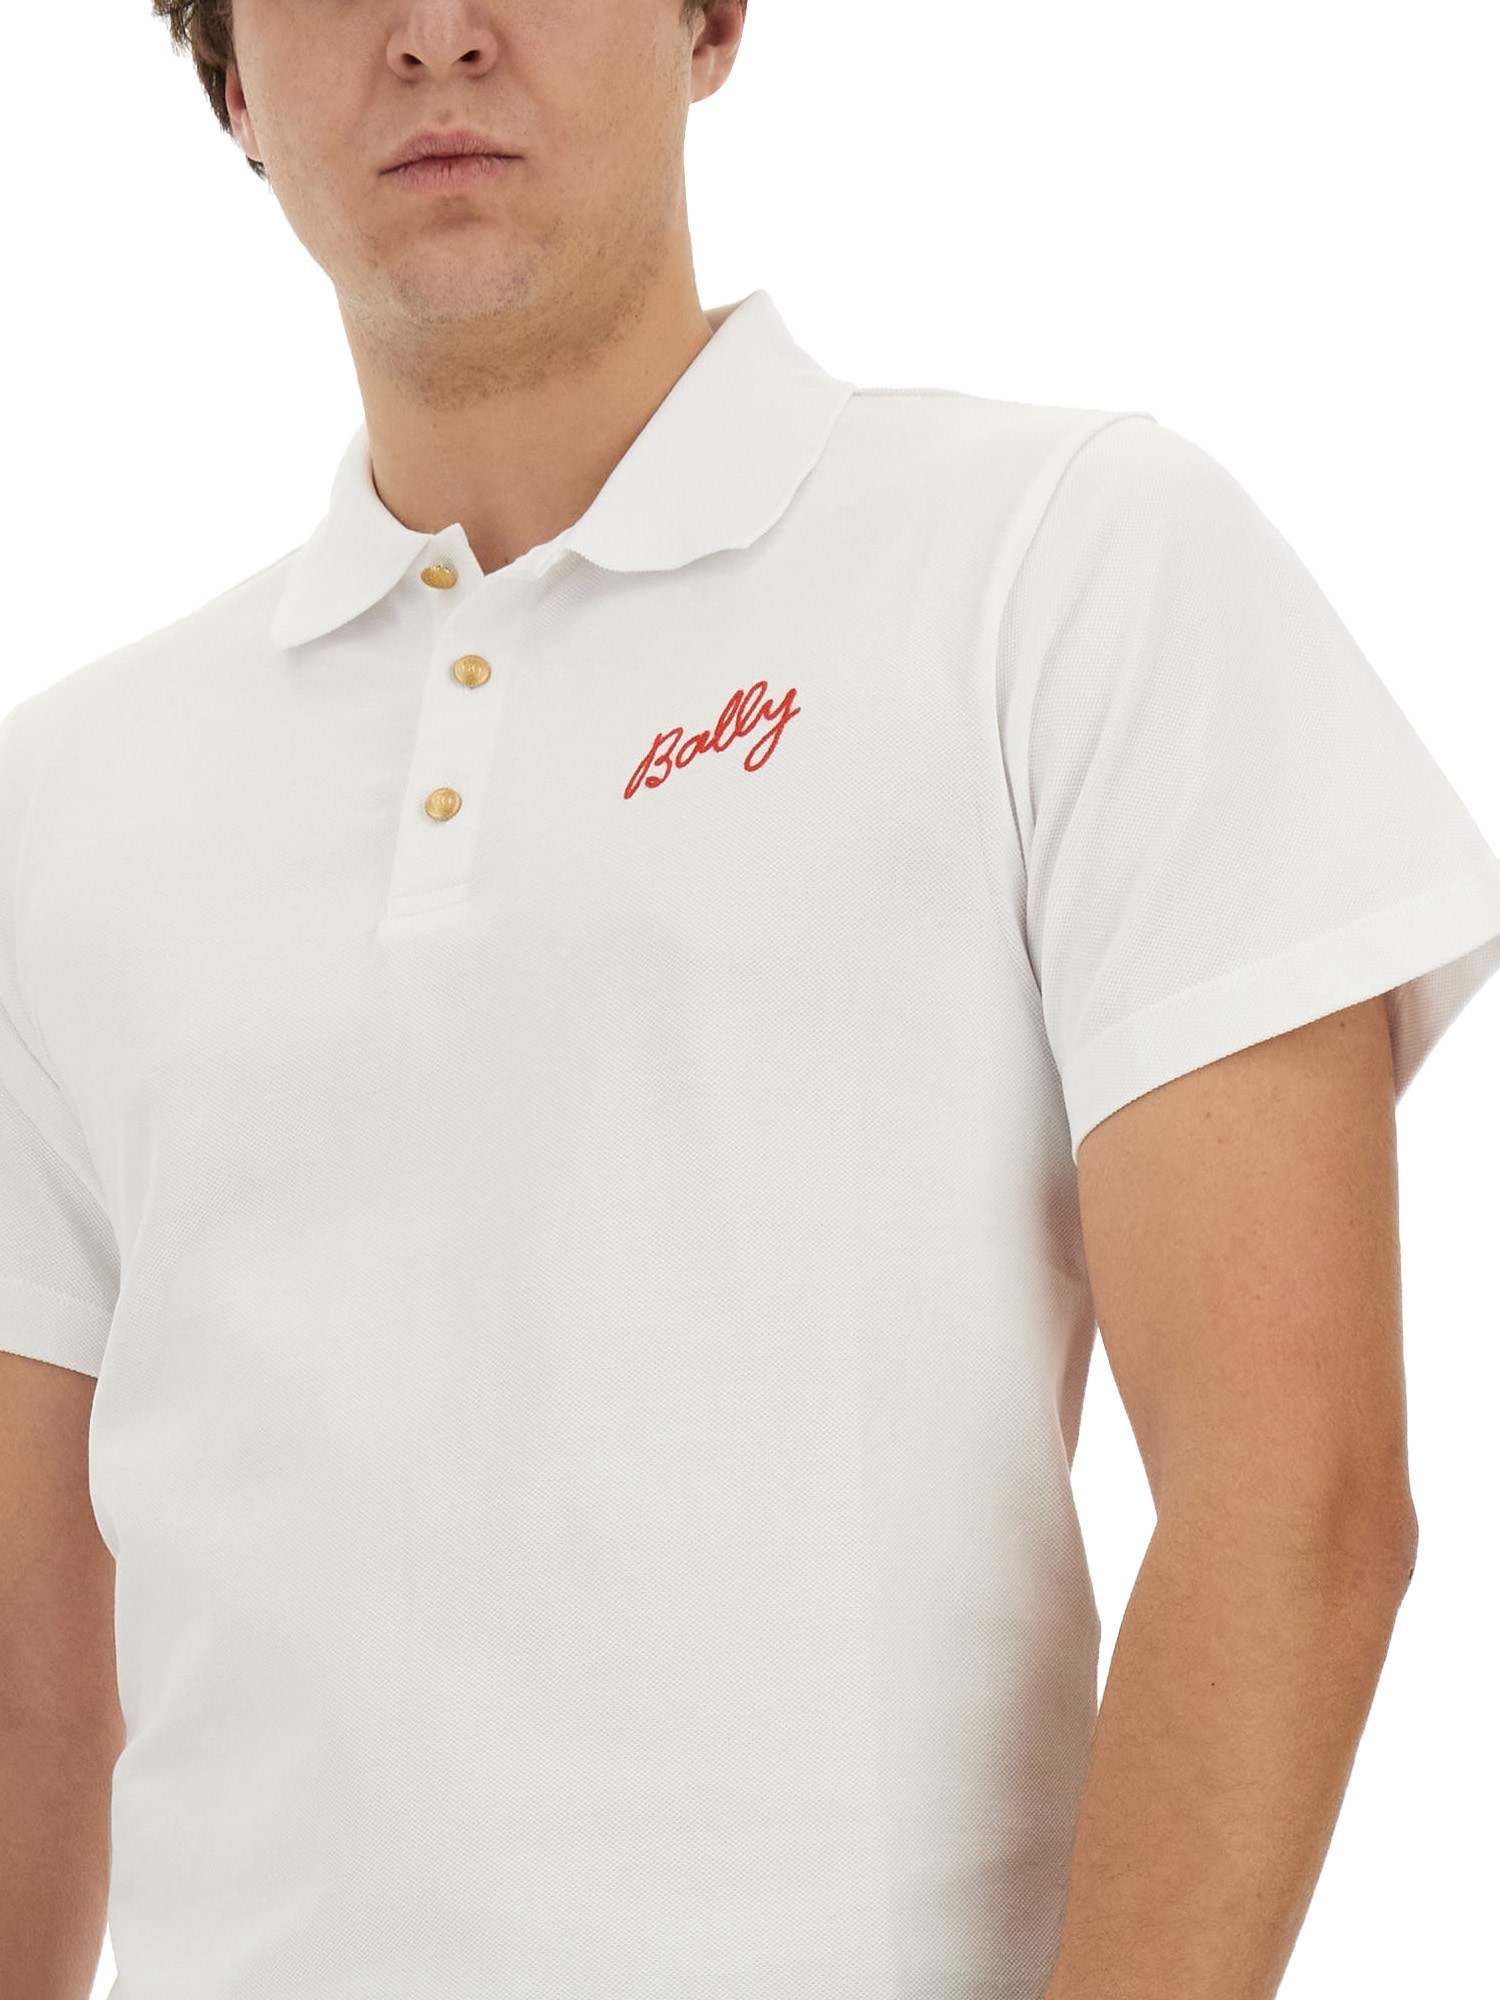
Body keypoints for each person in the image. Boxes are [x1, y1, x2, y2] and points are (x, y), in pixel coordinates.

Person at [3, 3, 1497, 1996]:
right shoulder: (63, 804)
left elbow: (1294, 1504)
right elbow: (30, 1691)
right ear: (227, 83)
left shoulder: (1061, 564)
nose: (437, 37)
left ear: (706, 18)